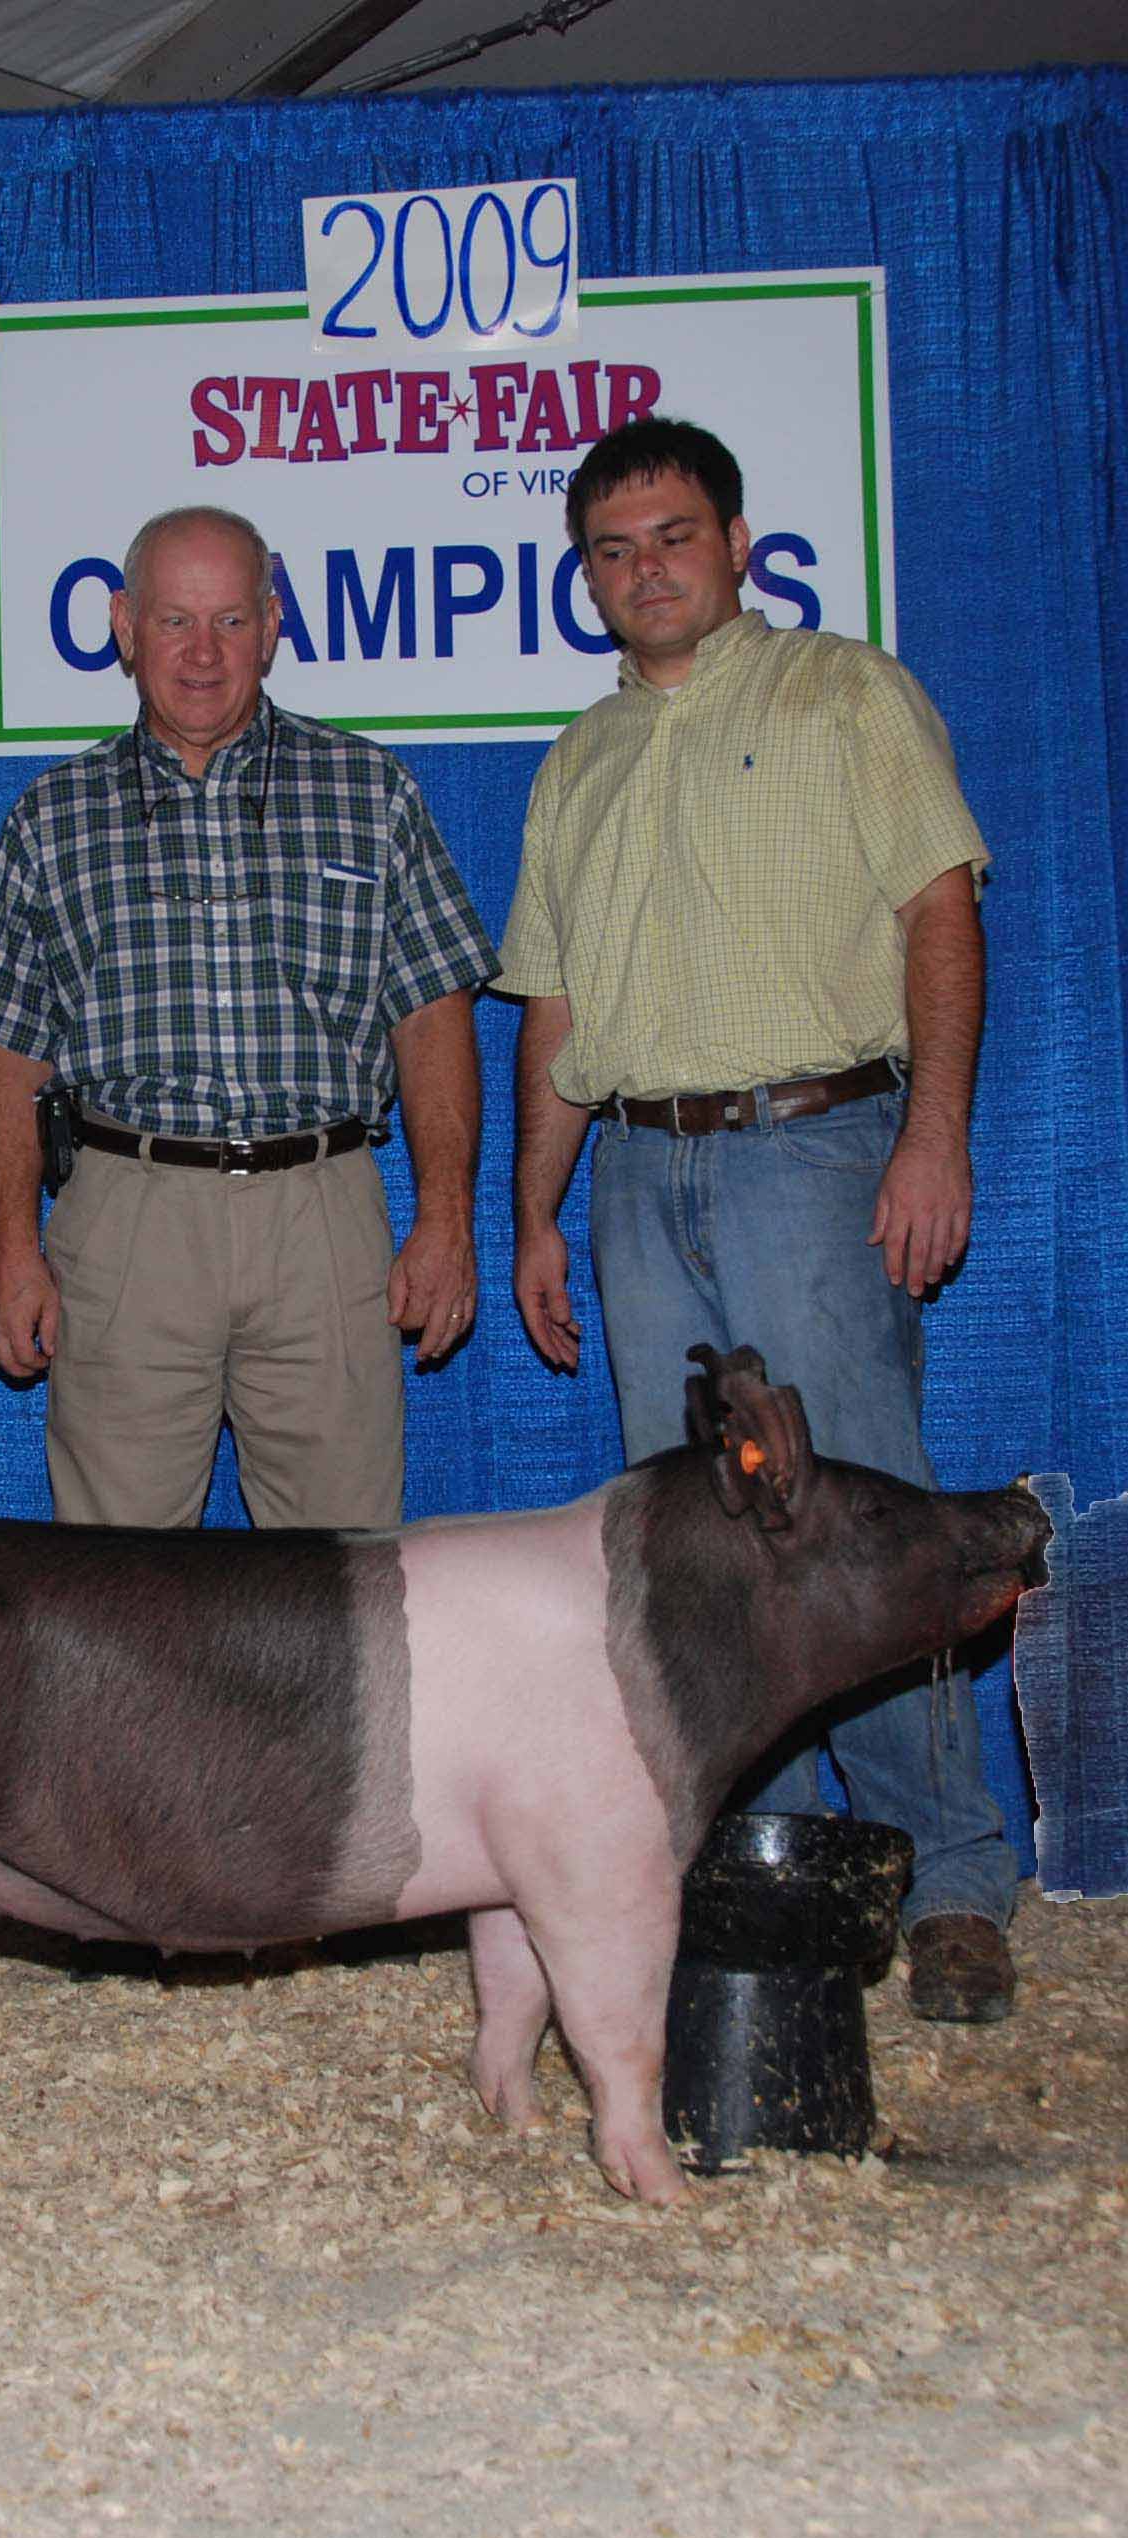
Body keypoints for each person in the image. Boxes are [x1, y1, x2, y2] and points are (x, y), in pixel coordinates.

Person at [496, 415, 1019, 2024]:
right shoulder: (577, 756)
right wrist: (532, 1210)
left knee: (861, 1515)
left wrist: (933, 1134)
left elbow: (939, 906)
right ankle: (719, 1863)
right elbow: (557, 1011)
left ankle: (951, 1876)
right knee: (699, 1541)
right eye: (612, 547)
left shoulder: (844, 691)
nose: (645, 567)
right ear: (584, 576)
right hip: (639, 1178)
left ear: (735, 543)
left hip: (814, 1143)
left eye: (672, 534)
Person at [0, 503, 497, 1531]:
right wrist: (11, 1246)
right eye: (175, 620)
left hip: (325, 1213)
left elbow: (432, 1016)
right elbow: (6, 1049)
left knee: (341, 1583)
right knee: (118, 1598)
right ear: (123, 624)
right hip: (126, 1220)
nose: (204, 652)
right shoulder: (50, 818)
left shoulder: (372, 792)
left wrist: (447, 1220)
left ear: (274, 623)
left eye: (232, 621)